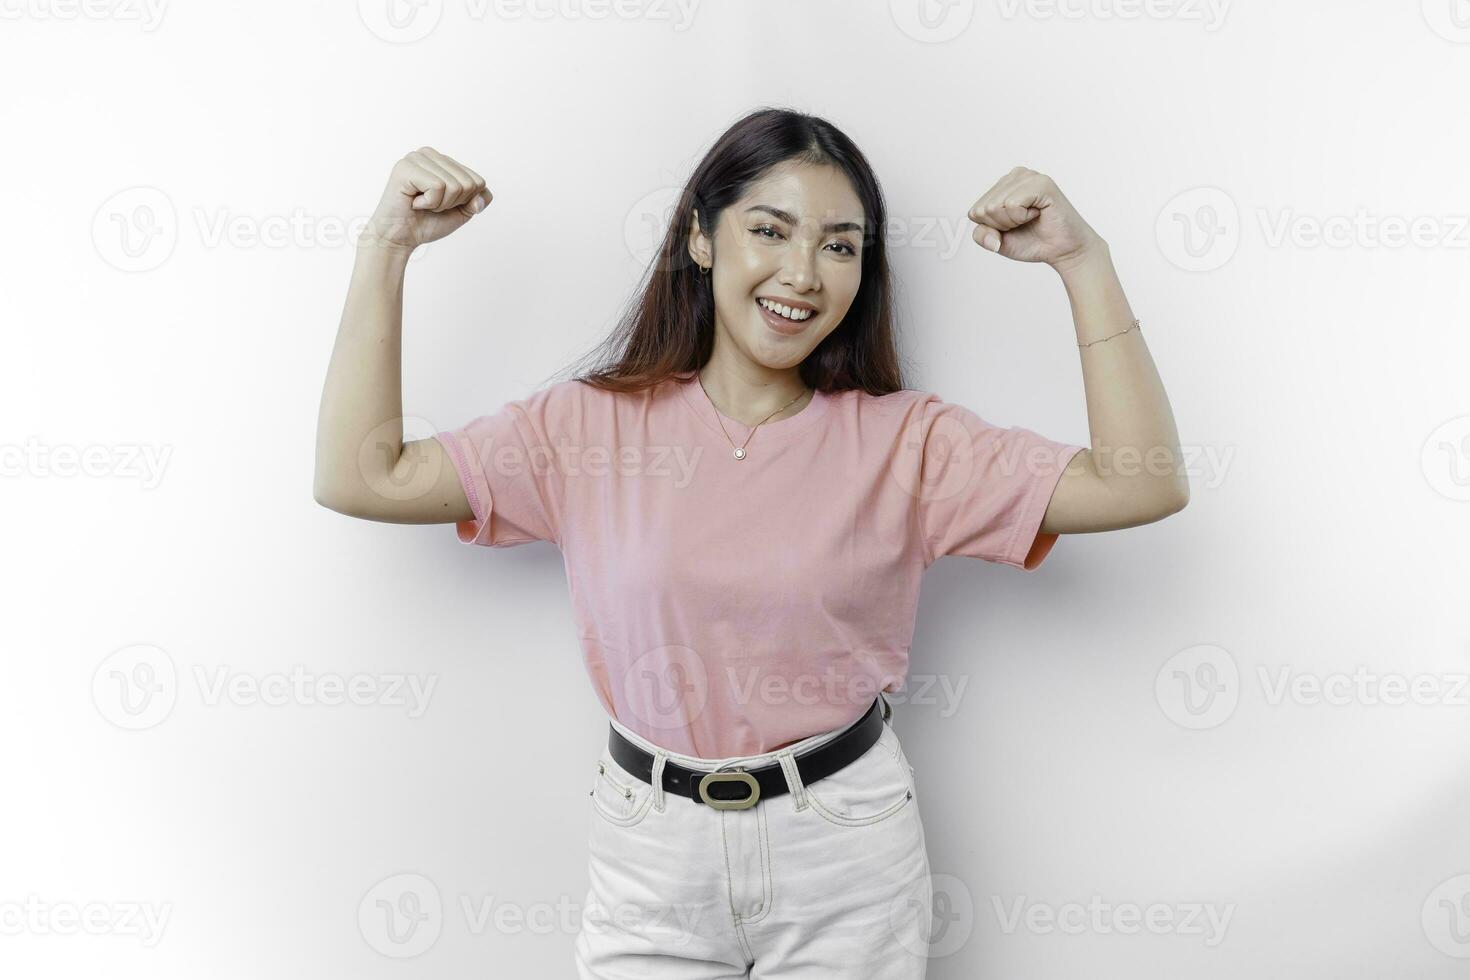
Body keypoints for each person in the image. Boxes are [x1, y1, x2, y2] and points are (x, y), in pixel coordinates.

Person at [313, 107, 1188, 979]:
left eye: (840, 246)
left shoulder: (908, 444)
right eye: (770, 230)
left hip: (846, 852)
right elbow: (363, 477)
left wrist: (1084, 262)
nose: (802, 274)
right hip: (649, 854)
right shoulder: (587, 427)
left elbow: (1141, 481)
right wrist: (384, 250)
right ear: (701, 237)